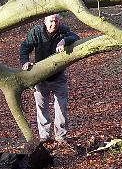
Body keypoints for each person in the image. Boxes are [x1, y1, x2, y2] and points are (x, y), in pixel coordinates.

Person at [19, 14, 80, 143]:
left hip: (59, 76)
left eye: (56, 21)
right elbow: (25, 47)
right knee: (41, 108)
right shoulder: (36, 31)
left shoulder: (63, 30)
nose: (54, 24)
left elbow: (75, 37)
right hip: (40, 77)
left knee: (61, 107)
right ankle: (44, 137)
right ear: (45, 21)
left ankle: (61, 135)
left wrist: (64, 41)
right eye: (51, 21)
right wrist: (25, 62)